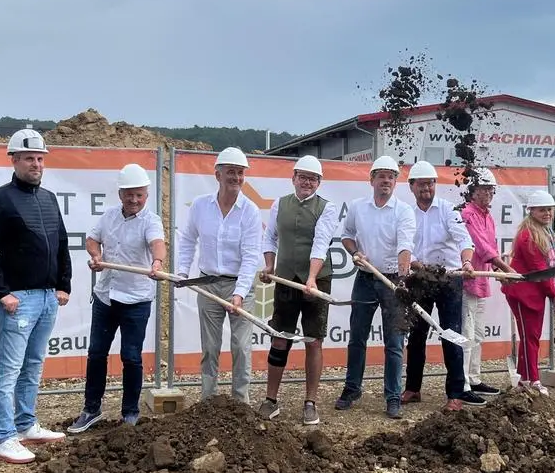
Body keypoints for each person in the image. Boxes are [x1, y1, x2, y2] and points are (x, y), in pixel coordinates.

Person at [0, 128, 71, 464]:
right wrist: (2, 292)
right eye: (29, 158)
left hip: (46, 298)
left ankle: (26, 424)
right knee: (9, 369)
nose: (36, 164)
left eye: (40, 158)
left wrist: (63, 285)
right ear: (13, 160)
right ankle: (4, 438)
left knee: (33, 364)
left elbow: (61, 243)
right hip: (18, 299)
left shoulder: (49, 199)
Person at [68, 163, 165, 433]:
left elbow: (157, 244)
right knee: (96, 353)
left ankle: (130, 414)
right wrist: (96, 255)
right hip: (106, 297)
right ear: (120, 194)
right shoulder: (109, 216)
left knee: (131, 356)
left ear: (146, 195)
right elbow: (92, 239)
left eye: (139, 195)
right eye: (129, 194)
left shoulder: (151, 221)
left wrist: (157, 263)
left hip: (136, 300)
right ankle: (91, 409)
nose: (134, 200)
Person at [175, 146, 262, 404]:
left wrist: (239, 294)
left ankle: (240, 403)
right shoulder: (201, 206)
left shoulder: (250, 211)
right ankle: (208, 401)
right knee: (210, 347)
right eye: (231, 172)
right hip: (209, 285)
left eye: (240, 172)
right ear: (218, 175)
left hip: (240, 285)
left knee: (241, 347)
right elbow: (188, 240)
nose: (236, 177)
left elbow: (250, 257)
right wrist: (182, 273)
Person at [256, 155, 338, 425]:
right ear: (293, 178)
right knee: (280, 337)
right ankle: (271, 400)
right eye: (302, 177)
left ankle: (310, 403)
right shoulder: (280, 204)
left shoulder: (326, 208)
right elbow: (270, 237)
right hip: (286, 280)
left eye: (312, 179)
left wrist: (311, 279)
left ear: (319, 182)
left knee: (313, 340)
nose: (307, 182)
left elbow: (321, 243)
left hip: (317, 281)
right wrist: (270, 265)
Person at [401, 161, 486, 411]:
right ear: (412, 186)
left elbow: (464, 240)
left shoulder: (449, 210)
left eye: (430, 183)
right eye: (422, 184)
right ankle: (413, 388)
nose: (426, 188)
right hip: (420, 279)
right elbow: (404, 246)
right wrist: (417, 265)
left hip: (449, 278)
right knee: (416, 335)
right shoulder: (407, 214)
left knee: (451, 334)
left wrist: (467, 262)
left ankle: (455, 393)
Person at [335, 155, 416, 419]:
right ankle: (352, 389)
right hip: (365, 279)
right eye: (381, 176)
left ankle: (393, 396)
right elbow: (347, 236)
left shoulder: (403, 211)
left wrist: (402, 280)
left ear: (395, 182)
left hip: (393, 281)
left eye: (391, 177)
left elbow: (405, 246)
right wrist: (355, 252)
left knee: (394, 342)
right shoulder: (358, 207)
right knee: (357, 337)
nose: (386, 181)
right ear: (371, 180)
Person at [458, 167, 519, 397]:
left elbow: (490, 250)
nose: (489, 193)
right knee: (466, 335)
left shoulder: (488, 217)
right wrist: (506, 269)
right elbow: (482, 247)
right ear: (473, 191)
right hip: (468, 281)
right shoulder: (467, 214)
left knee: (478, 334)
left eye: (491, 189)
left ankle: (474, 378)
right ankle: (463, 383)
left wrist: (500, 272)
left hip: (481, 281)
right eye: (484, 189)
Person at [502, 189, 555, 394]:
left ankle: (524, 379)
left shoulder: (545, 232)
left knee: (531, 337)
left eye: (550, 209)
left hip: (534, 294)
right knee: (529, 337)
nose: (547, 213)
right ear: (531, 211)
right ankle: (533, 380)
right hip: (523, 294)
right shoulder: (529, 236)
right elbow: (540, 271)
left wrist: (554, 293)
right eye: (542, 210)